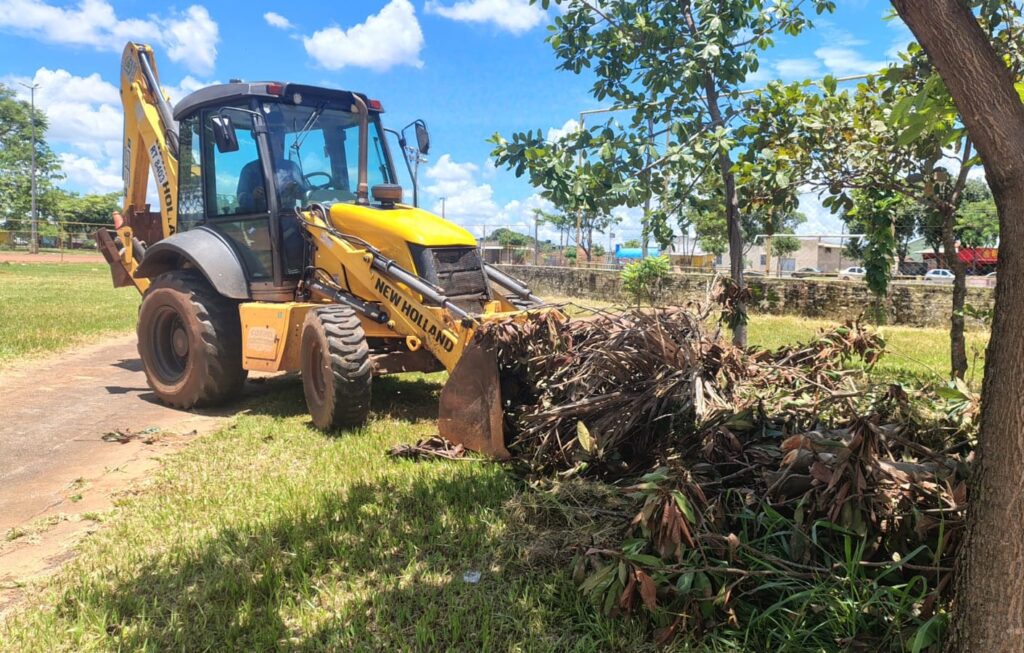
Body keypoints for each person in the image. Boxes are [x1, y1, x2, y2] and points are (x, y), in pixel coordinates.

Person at [236, 106, 309, 213]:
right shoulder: (250, 170)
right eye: (274, 137)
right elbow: (241, 198)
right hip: (261, 220)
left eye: (281, 136)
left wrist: (297, 190)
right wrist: (254, 196)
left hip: (291, 217)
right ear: (263, 141)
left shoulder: (292, 167)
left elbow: (305, 193)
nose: (280, 141)